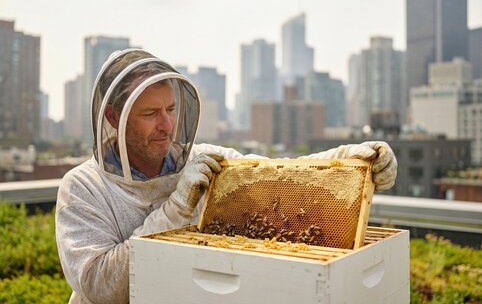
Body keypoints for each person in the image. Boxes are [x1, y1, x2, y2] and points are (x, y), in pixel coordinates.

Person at [55, 49, 397, 304]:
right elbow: (99, 286)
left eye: (171, 110)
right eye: (150, 114)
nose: (167, 125)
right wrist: (175, 210)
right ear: (114, 117)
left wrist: (351, 158)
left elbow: (277, 176)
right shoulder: (83, 188)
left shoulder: (204, 161)